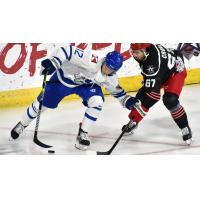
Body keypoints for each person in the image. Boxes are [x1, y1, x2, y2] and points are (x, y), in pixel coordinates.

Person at [11, 45, 138, 150]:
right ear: (104, 60)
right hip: (63, 80)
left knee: (97, 101)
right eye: (107, 66)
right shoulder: (91, 59)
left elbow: (117, 93)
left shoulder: (110, 77)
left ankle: (83, 133)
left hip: (85, 86)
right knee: (41, 104)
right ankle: (22, 124)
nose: (107, 70)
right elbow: (66, 51)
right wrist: (54, 61)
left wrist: (127, 101)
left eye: (111, 69)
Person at [122, 43, 192, 145]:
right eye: (133, 52)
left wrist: (149, 86)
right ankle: (134, 121)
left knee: (170, 100)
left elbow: (154, 96)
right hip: (163, 71)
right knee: (142, 95)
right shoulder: (147, 52)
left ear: (145, 51)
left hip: (175, 73)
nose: (134, 55)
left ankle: (184, 127)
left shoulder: (152, 63)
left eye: (136, 52)